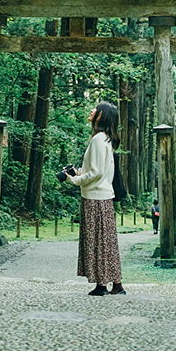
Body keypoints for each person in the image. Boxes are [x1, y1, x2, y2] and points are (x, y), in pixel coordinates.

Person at [62, 101, 126, 295]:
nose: (92, 110)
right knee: (106, 242)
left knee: (97, 241)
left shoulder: (99, 139)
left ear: (101, 116)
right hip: (103, 196)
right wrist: (78, 172)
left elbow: (96, 172)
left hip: (95, 197)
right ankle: (116, 284)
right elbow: (98, 170)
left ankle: (101, 285)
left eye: (96, 109)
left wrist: (74, 180)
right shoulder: (105, 139)